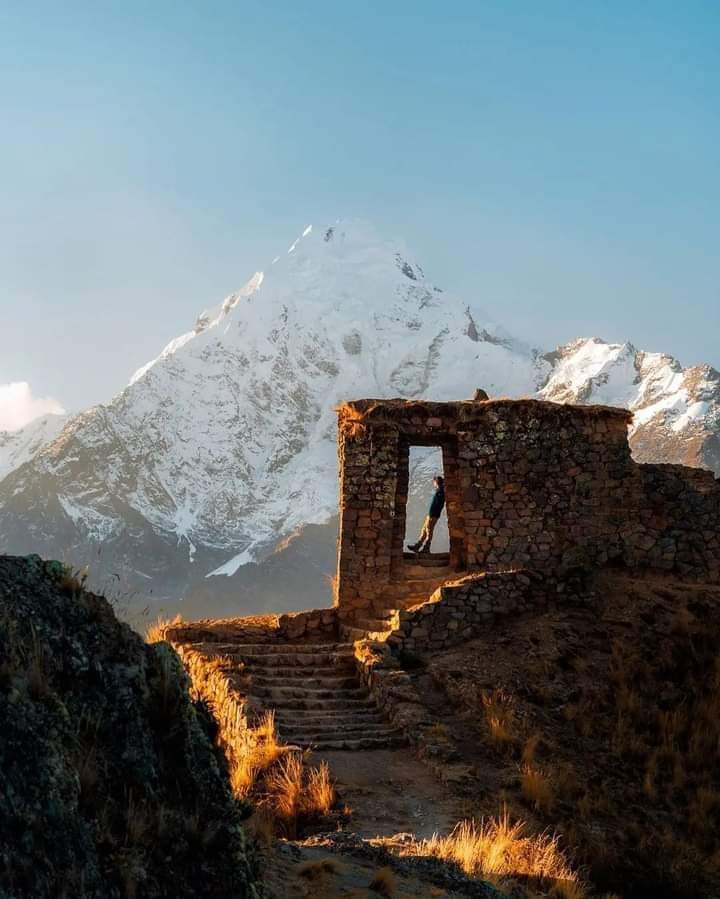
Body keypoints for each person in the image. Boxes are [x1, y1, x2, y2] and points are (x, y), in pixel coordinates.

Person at [408, 475, 445, 553]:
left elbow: (438, 505)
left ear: (436, 482)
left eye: (434, 482)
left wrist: (432, 515)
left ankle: (426, 548)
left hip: (433, 515)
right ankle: (417, 546)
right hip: (431, 514)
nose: (433, 483)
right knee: (424, 530)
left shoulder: (440, 491)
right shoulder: (439, 490)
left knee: (429, 530)